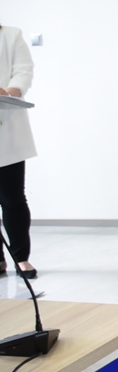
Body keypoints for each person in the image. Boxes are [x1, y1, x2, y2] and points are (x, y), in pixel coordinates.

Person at [0, 24, 38, 279]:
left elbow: (24, 72)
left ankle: (21, 258)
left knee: (12, 198)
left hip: (6, 128)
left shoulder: (10, 35)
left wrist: (8, 91)